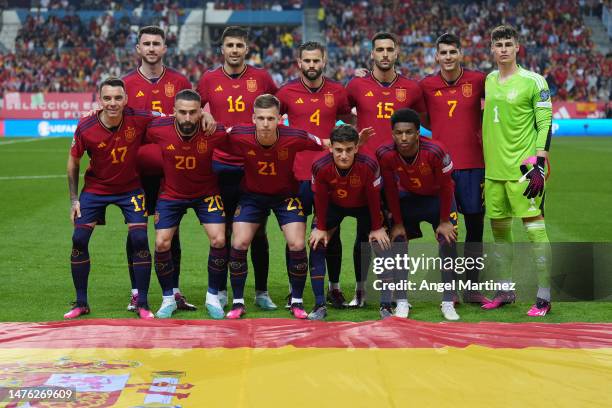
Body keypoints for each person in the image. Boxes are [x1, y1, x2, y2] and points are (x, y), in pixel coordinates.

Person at [196, 26, 279, 311]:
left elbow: (284, 107)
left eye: (239, 45)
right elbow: (192, 109)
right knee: (222, 232)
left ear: (246, 48)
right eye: (229, 45)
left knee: (258, 231)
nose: (234, 50)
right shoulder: (209, 78)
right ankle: (219, 290)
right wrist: (204, 116)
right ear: (222, 49)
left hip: (253, 165)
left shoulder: (262, 78)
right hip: (219, 165)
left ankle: (262, 292)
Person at [224, 94, 327, 320]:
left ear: (280, 119)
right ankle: (238, 302)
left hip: (285, 197)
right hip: (251, 196)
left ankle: (297, 301)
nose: (265, 124)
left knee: (297, 243)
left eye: (271, 118)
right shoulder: (240, 134)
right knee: (239, 242)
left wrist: (353, 141)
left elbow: (325, 143)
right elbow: (215, 136)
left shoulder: (295, 136)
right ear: (253, 118)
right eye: (261, 118)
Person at [345, 31, 426, 306]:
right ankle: (360, 291)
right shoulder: (356, 85)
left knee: (399, 234)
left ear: (397, 52)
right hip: (366, 173)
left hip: (401, 175)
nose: (385, 54)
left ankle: (399, 293)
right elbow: (343, 113)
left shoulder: (412, 88)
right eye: (379, 50)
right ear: (372, 54)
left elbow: (426, 120)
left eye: (389, 49)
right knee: (364, 235)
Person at [65, 77, 155, 320]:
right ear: (99, 100)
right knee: (79, 239)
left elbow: (171, 117)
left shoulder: (141, 117)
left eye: (118, 98)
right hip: (96, 189)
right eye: (107, 98)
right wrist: (74, 199)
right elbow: (73, 162)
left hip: (131, 188)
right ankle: (81, 302)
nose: (113, 103)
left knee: (139, 238)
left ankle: (143, 303)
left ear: (126, 99)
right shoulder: (86, 126)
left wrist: (204, 116)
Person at [122, 25, 196, 313]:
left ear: (165, 48)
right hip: (136, 172)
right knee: (137, 232)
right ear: (138, 49)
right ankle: (136, 291)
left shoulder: (179, 81)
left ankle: (174, 290)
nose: (152, 48)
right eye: (146, 43)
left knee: (171, 232)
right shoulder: (126, 84)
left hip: (172, 171)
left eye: (157, 43)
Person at [276, 41, 354, 309]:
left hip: (330, 176)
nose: (311, 65)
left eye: (316, 61)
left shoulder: (338, 91)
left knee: (332, 234)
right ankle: (293, 290)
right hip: (295, 176)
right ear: (299, 62)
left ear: (324, 62)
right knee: (294, 237)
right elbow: (274, 122)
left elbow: (348, 119)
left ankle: (334, 288)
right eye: (306, 61)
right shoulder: (285, 93)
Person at [481, 25, 553, 316]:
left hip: (525, 172)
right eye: (498, 44)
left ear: (517, 47)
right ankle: (505, 290)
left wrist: (539, 162)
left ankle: (545, 295)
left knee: (535, 232)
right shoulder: (488, 80)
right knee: (500, 235)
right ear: (491, 49)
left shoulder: (534, 81)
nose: (503, 49)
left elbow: (545, 124)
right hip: (494, 173)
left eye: (508, 43)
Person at [144, 89, 229, 319]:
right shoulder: (158, 128)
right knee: (162, 243)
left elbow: (240, 135)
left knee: (219, 239)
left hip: (206, 194)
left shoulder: (213, 131)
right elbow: (131, 119)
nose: (188, 118)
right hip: (172, 195)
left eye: (193, 113)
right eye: (183, 112)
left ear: (201, 112)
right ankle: (168, 298)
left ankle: (213, 296)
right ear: (174, 113)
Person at [419, 33, 490, 305]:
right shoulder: (426, 85)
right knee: (446, 229)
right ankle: (449, 290)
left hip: (474, 166)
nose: (448, 57)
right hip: (442, 169)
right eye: (443, 53)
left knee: (474, 227)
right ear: (436, 57)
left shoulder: (478, 80)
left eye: (452, 52)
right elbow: (420, 115)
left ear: (461, 54)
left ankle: (472, 288)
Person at [376, 108, 461, 320]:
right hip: (409, 199)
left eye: (409, 132)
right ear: (392, 133)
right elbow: (391, 190)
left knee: (447, 241)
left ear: (417, 132)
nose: (403, 138)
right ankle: (402, 301)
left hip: (438, 201)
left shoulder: (435, 150)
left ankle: (448, 301)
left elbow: (447, 186)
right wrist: (396, 222)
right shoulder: (384, 153)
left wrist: (444, 221)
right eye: (398, 133)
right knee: (398, 240)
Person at [308, 125, 390, 320]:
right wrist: (320, 228)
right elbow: (319, 198)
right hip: (334, 206)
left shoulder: (369, 164)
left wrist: (377, 228)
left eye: (348, 150)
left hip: (364, 206)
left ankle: (384, 304)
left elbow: (374, 198)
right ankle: (320, 304)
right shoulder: (320, 165)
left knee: (381, 243)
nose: (343, 155)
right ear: (331, 148)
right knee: (317, 242)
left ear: (356, 148)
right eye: (338, 150)